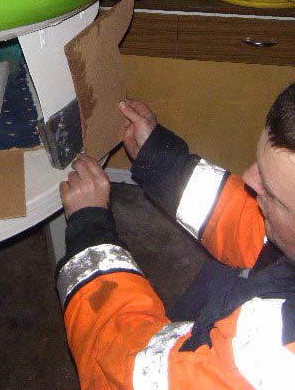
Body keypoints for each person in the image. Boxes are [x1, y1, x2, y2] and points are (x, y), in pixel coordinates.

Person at [56, 87, 295, 389]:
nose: (248, 179)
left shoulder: (266, 361)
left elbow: (131, 370)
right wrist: (160, 159)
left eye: (270, 192)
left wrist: (89, 232)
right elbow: (250, 229)